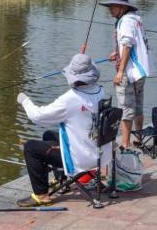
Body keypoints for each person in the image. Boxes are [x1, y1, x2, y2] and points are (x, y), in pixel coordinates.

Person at [15, 54, 111, 207]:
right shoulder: (100, 91)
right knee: (49, 135)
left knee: (31, 148)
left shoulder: (70, 99)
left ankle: (41, 195)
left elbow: (38, 116)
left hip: (80, 158)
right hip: (99, 155)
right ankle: (63, 180)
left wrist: (25, 101)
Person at [99, 0, 152, 148]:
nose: (110, 9)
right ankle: (139, 140)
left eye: (112, 6)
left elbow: (128, 45)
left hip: (129, 72)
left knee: (126, 109)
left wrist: (120, 71)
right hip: (141, 71)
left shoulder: (126, 21)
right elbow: (131, 45)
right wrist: (116, 52)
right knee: (138, 106)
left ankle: (125, 145)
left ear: (122, 7)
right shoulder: (136, 19)